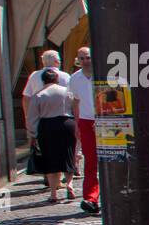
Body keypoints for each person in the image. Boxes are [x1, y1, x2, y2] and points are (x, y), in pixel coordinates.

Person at [27, 68, 79, 203]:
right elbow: (75, 108)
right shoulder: (67, 92)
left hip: (47, 126)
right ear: (56, 79)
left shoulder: (38, 95)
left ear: (43, 80)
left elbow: (32, 118)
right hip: (67, 124)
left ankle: (53, 193)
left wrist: (33, 134)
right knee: (68, 155)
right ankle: (69, 184)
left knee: (50, 159)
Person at [70, 47, 99, 214]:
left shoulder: (104, 74)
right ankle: (91, 198)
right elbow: (76, 102)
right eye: (81, 58)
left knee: (113, 160)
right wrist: (77, 124)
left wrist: (103, 118)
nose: (85, 61)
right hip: (86, 121)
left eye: (87, 57)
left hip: (105, 119)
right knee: (90, 161)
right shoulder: (75, 79)